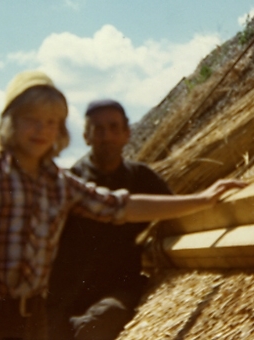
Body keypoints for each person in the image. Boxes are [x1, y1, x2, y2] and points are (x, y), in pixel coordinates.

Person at [0, 71, 247, 340]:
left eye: (51, 122)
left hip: (37, 319)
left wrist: (202, 199)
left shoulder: (58, 183)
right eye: (31, 119)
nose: (41, 130)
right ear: (9, 121)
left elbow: (121, 206)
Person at [47, 99, 172, 340]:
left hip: (118, 291)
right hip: (68, 299)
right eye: (98, 129)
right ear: (86, 136)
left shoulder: (141, 178)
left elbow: (172, 210)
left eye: (114, 128)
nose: (107, 136)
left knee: (96, 326)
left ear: (127, 133)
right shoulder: (71, 185)